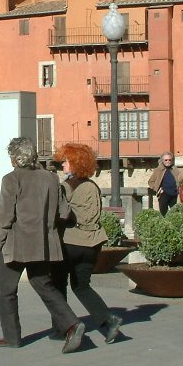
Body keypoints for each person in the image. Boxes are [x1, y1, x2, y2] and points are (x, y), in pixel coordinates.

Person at [0, 136, 85, 354]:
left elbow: (4, 217)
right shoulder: (51, 178)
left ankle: (12, 337)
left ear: (15, 159)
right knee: (43, 284)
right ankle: (72, 323)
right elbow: (64, 212)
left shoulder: (10, 180)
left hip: (16, 243)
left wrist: (0, 241)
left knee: (6, 291)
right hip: (43, 243)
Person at [51, 143, 122, 343]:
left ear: (74, 163)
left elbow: (60, 213)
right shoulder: (93, 186)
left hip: (70, 242)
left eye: (65, 161)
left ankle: (62, 328)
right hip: (92, 244)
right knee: (82, 286)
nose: (62, 165)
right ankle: (108, 322)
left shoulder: (66, 186)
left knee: (57, 285)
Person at [148, 151, 183, 215]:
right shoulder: (158, 170)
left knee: (174, 214)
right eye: (166, 160)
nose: (168, 161)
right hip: (163, 195)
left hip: (175, 195)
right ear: (162, 161)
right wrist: (157, 189)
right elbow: (150, 182)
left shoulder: (175, 170)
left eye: (169, 160)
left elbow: (181, 180)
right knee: (163, 213)